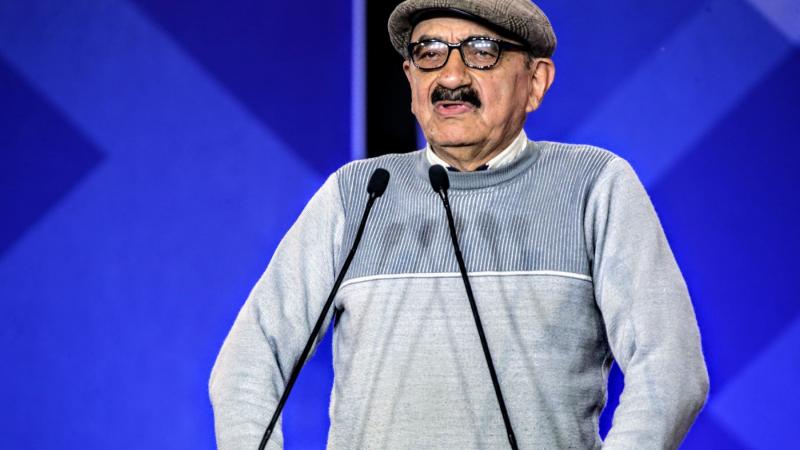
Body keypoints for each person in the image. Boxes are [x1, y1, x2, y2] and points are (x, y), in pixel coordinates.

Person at [209, 0, 710, 448]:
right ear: (410, 79)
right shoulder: (358, 193)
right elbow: (250, 360)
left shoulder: (594, 185)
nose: (451, 76)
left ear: (535, 81)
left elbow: (672, 370)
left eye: (481, 51)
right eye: (429, 52)